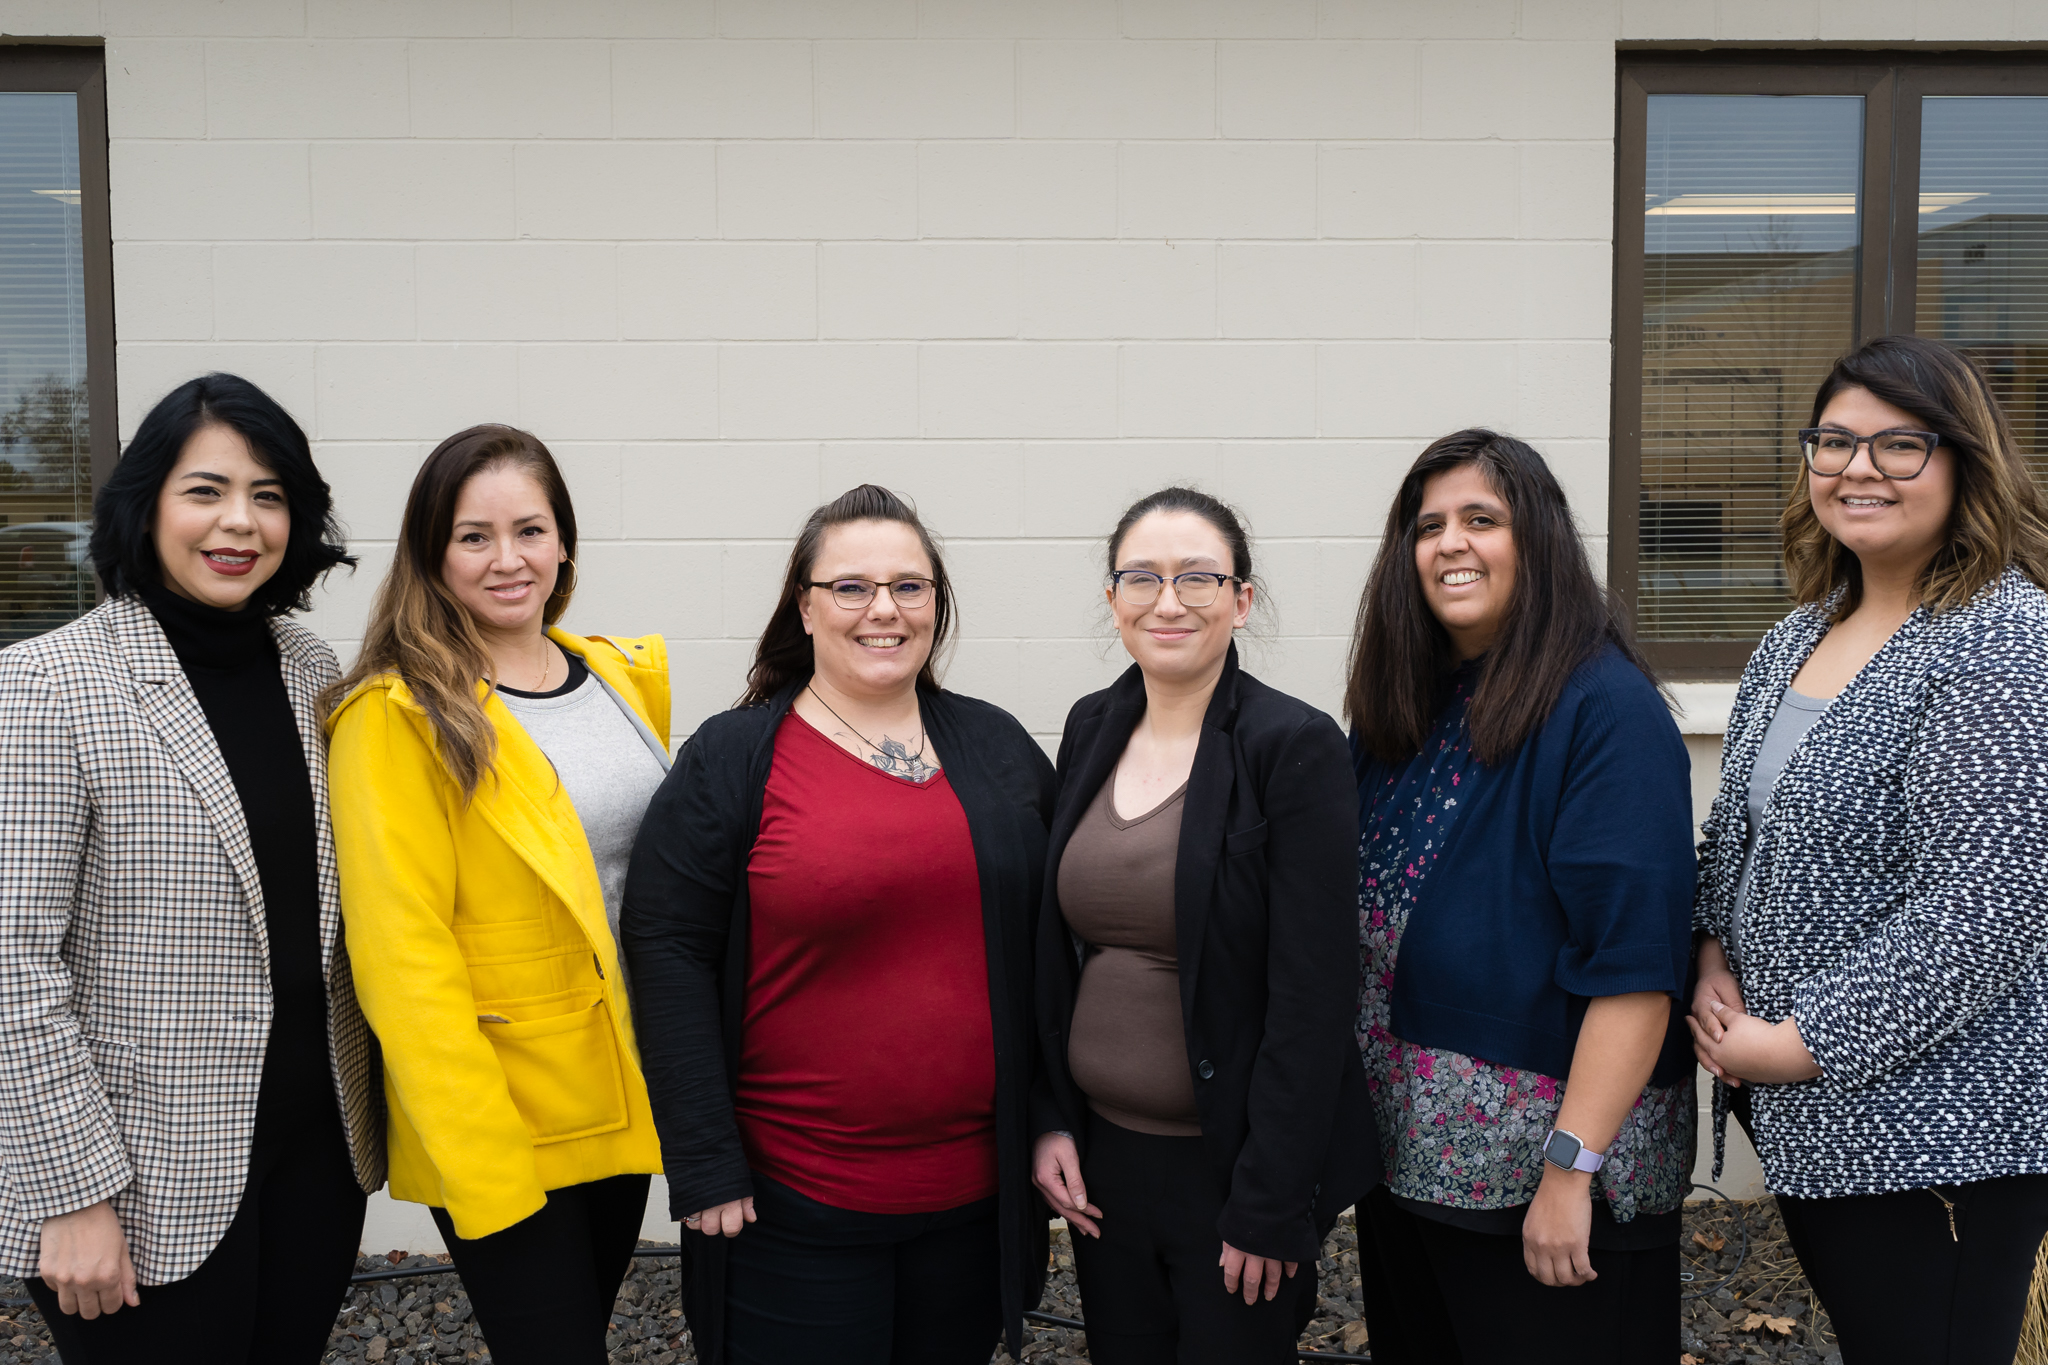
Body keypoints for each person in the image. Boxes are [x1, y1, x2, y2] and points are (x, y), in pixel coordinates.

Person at [621, 484, 1056, 1365]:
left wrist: (1051, 1120)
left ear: (938, 603)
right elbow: (665, 947)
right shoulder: (735, 757)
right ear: (806, 606)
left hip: (972, 1207)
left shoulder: (999, 747)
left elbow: (1052, 955)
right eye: (851, 586)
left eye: (910, 585)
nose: (883, 609)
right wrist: (702, 1156)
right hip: (793, 1206)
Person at [0, 373, 382, 1363]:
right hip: (141, 1178)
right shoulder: (48, 686)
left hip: (312, 1156)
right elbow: (11, 968)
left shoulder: (311, 670)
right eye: (205, 489)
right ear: (147, 505)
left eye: (268, 495)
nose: (240, 522)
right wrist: (71, 1196)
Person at [1689, 335, 2048, 1365]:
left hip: (1938, 1137)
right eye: (1834, 442)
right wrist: (1710, 953)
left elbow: (1985, 908)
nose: (1857, 468)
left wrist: (1795, 1046)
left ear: (1963, 464)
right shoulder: (1801, 631)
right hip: (1816, 1122)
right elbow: (1735, 833)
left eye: (1898, 445)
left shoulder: (1997, 637)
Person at [1344, 431, 1696, 1365]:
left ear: (1535, 540)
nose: (1450, 542)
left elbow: (1635, 968)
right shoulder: (1410, 706)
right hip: (1409, 1166)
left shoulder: (1603, 710)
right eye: (1429, 525)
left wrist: (1568, 1173)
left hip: (1542, 1194)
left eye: (1481, 519)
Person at [325, 425, 670, 1365]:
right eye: (474, 535)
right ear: (432, 552)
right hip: (507, 1119)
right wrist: (486, 1171)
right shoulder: (396, 716)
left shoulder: (616, 676)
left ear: (565, 541)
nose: (507, 558)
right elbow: (403, 964)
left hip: (618, 1090)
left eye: (530, 528)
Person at [1030, 487, 1379, 1365]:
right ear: (1113, 599)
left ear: (1242, 599)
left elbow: (1315, 990)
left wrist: (1268, 1200)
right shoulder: (1091, 725)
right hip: (1104, 1164)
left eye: (1198, 577)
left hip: (1229, 1167)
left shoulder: (1291, 745)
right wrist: (1052, 1121)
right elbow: (1058, 952)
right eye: (1142, 577)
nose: (1169, 600)